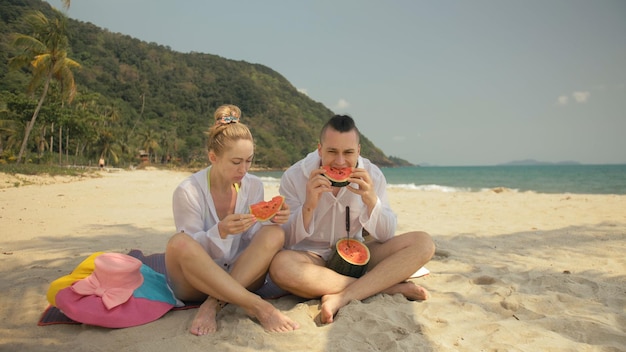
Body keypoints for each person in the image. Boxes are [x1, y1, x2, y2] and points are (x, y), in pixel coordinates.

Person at [269, 114, 435, 324]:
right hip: (310, 259)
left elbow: (386, 234)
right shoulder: (294, 176)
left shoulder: (373, 175)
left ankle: (344, 294)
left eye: (348, 153)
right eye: (332, 152)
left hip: (358, 257)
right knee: (280, 266)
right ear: (320, 149)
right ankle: (386, 286)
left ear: (358, 150)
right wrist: (309, 205)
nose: (340, 162)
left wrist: (371, 200)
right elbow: (287, 239)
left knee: (423, 243)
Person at [164, 104, 300, 335]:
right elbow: (190, 251)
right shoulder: (188, 191)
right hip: (196, 282)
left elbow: (254, 236)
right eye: (236, 162)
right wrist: (220, 231)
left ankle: (212, 305)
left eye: (249, 160)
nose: (244, 169)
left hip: (242, 276)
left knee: (275, 233)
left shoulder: (253, 185)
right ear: (213, 157)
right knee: (179, 242)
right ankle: (259, 306)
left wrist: (275, 219)